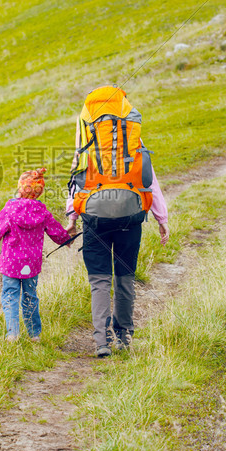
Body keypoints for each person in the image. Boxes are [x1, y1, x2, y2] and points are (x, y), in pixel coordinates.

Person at [66, 86, 169, 358]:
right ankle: (123, 335)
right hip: (130, 219)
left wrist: (71, 218)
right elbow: (150, 183)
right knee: (125, 277)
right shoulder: (133, 142)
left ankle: (102, 341)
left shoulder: (87, 146)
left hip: (94, 220)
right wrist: (162, 219)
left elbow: (76, 185)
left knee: (99, 281)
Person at [0, 168, 71, 342]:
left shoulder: (10, 209)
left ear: (21, 188)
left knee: (10, 295)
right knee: (30, 296)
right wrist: (66, 240)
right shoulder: (42, 212)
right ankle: (34, 334)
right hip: (32, 264)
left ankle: (12, 333)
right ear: (39, 192)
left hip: (11, 263)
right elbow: (56, 231)